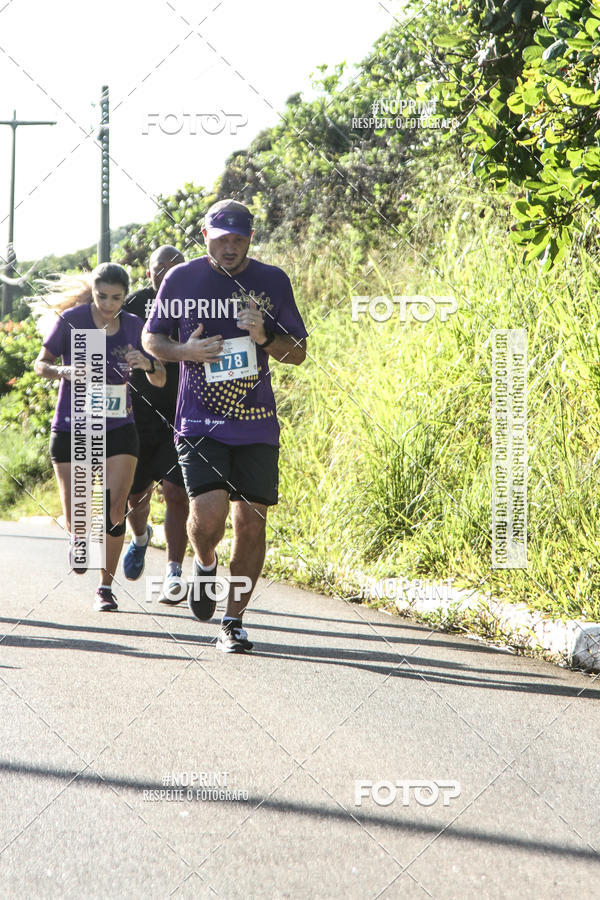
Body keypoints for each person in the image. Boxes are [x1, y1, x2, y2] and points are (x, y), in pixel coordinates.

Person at [143, 199, 307, 652]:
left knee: (252, 524)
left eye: (239, 240)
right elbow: (151, 338)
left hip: (256, 422)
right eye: (221, 240)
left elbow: (298, 352)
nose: (230, 248)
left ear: (250, 239)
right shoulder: (181, 278)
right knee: (209, 517)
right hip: (199, 421)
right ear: (204, 236)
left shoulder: (272, 281)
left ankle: (233, 622)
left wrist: (265, 337)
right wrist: (186, 353)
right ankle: (204, 560)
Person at [34, 262, 166, 611]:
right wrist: (63, 370)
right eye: (102, 296)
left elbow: (161, 378)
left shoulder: (137, 326)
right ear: (93, 292)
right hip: (72, 425)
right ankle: (78, 538)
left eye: (117, 298)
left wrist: (148, 364)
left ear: (126, 295)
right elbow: (40, 364)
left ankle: (105, 588)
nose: (109, 304)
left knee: (113, 509)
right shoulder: (72, 321)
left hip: (119, 428)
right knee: (79, 511)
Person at [122, 245, 190, 604]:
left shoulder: (196, 301)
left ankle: (174, 572)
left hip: (182, 413)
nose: (166, 273)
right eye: (158, 268)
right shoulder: (134, 304)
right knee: (136, 496)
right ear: (149, 273)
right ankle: (140, 538)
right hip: (138, 416)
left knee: (177, 494)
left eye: (174, 266)